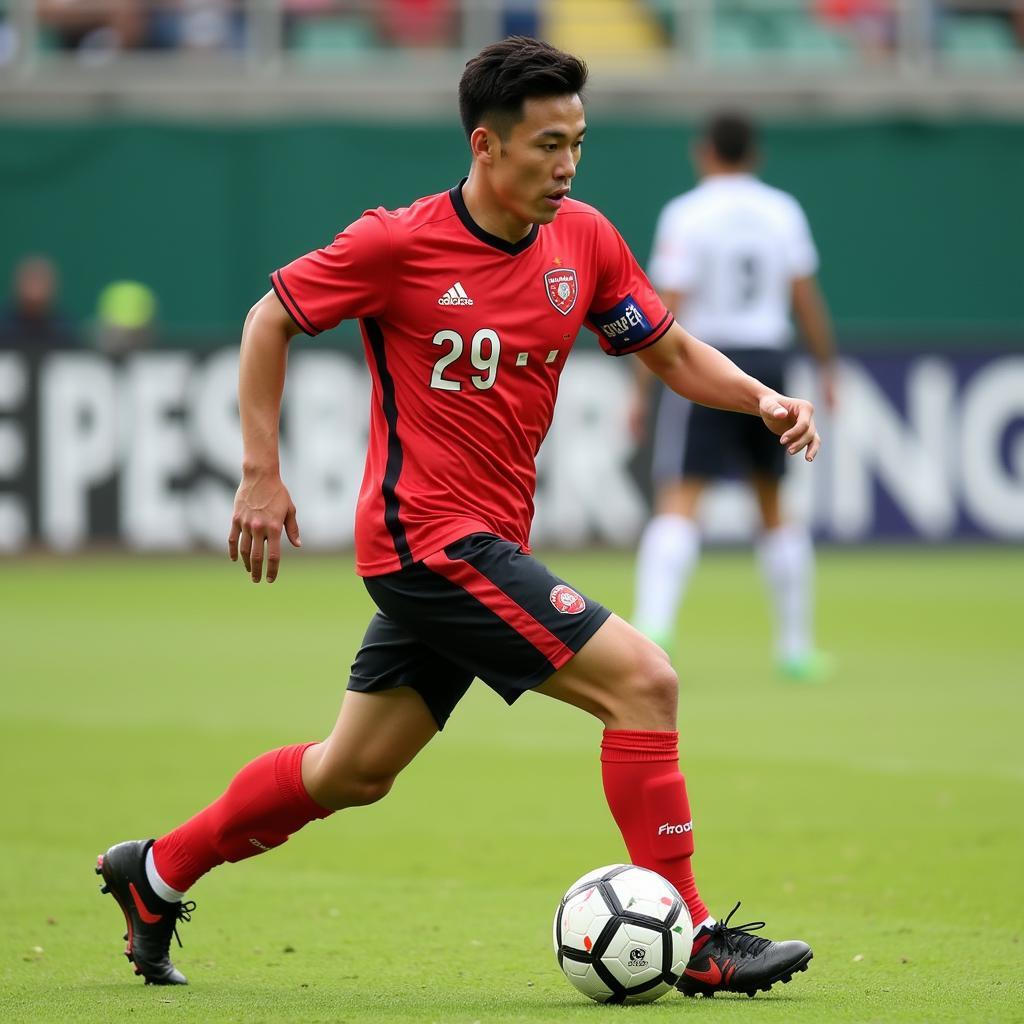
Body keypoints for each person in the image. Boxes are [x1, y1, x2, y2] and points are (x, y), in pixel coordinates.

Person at [95, 38, 821, 999]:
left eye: (578, 143)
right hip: (425, 542)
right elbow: (269, 317)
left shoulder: (585, 241)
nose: (566, 165)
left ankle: (154, 873)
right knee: (645, 683)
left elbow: (672, 350)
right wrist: (260, 474)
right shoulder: (398, 244)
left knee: (352, 770)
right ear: (487, 146)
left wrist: (761, 397)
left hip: (481, 545)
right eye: (546, 145)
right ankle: (693, 939)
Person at [630, 112, 837, 681]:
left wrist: (642, 389)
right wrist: (828, 366)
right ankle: (795, 649)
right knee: (774, 506)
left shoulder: (686, 213)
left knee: (681, 499)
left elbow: (661, 306)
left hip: (707, 361)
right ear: (754, 154)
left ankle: (654, 627)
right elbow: (804, 296)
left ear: (704, 153)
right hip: (769, 361)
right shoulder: (781, 210)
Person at [0, 255, 76, 350]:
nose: (34, 288)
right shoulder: (3, 328)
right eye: (30, 279)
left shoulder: (65, 331)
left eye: (40, 280)